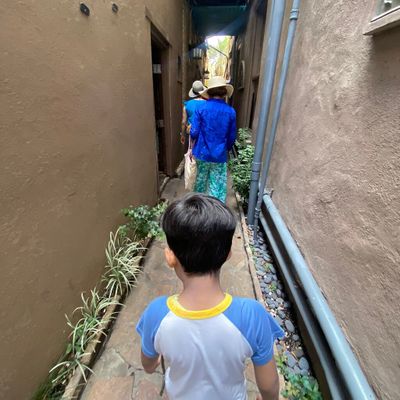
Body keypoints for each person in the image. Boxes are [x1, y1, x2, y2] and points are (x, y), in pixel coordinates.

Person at [136, 193, 283, 400]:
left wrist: (157, 357)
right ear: (228, 253)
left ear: (170, 257)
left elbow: (149, 366)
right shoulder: (252, 314)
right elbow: (268, 385)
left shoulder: (156, 313)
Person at [190, 76, 236, 203]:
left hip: (202, 153)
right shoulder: (231, 111)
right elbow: (232, 138)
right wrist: (224, 149)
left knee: (200, 186)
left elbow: (194, 132)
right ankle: (215, 211)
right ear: (224, 92)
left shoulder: (200, 109)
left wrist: (193, 144)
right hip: (219, 156)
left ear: (209, 92)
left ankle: (199, 209)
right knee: (217, 189)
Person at [180, 80, 206, 147]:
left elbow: (183, 122)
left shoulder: (187, 104)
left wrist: (182, 135)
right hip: (205, 133)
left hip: (193, 132)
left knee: (193, 151)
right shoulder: (207, 103)